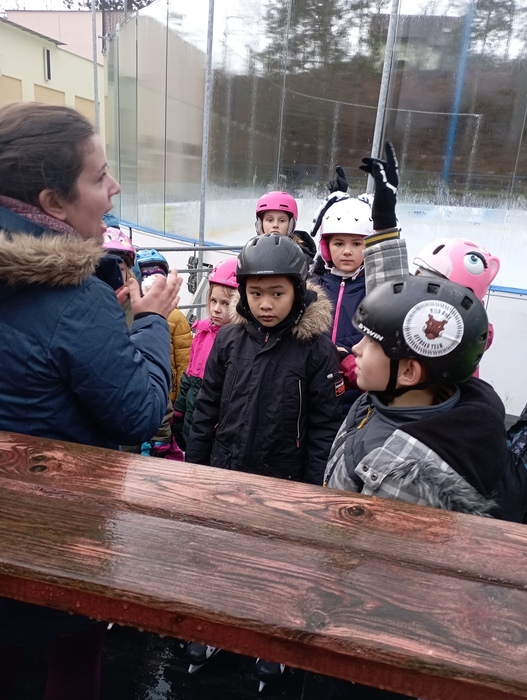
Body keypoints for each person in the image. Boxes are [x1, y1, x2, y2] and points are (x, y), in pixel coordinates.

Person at [0, 101, 181, 700]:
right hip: (59, 532)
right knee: (74, 657)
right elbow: (139, 413)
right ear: (53, 202)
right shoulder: (74, 300)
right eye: (99, 176)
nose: (115, 187)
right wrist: (149, 322)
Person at [185, 233, 343, 685]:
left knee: (276, 563)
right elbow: (206, 408)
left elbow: (323, 426)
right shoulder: (230, 340)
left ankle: (273, 636)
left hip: (284, 477)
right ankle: (217, 624)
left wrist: (313, 490)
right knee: (220, 552)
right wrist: (195, 471)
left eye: (277, 293)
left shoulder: (315, 349)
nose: (265, 304)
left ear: (298, 291)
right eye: (256, 293)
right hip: (227, 468)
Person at [310, 195, 373, 412]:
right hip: (316, 390)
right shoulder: (313, 285)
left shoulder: (374, 289)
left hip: (357, 393)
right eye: (338, 243)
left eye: (356, 243)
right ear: (326, 247)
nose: (347, 251)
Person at [172, 257, 239, 451]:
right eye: (213, 301)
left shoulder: (236, 343)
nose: (216, 309)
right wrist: (179, 411)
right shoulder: (202, 333)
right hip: (192, 417)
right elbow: (189, 375)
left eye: (225, 303)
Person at [255, 190, 316, 264]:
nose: (275, 225)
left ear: (291, 224)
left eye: (282, 220)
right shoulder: (249, 255)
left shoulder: (302, 258)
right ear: (260, 223)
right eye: (270, 220)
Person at [102, 226, 137, 327]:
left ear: (127, 273)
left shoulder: (132, 302)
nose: (115, 273)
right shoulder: (86, 298)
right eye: (108, 268)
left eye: (121, 269)